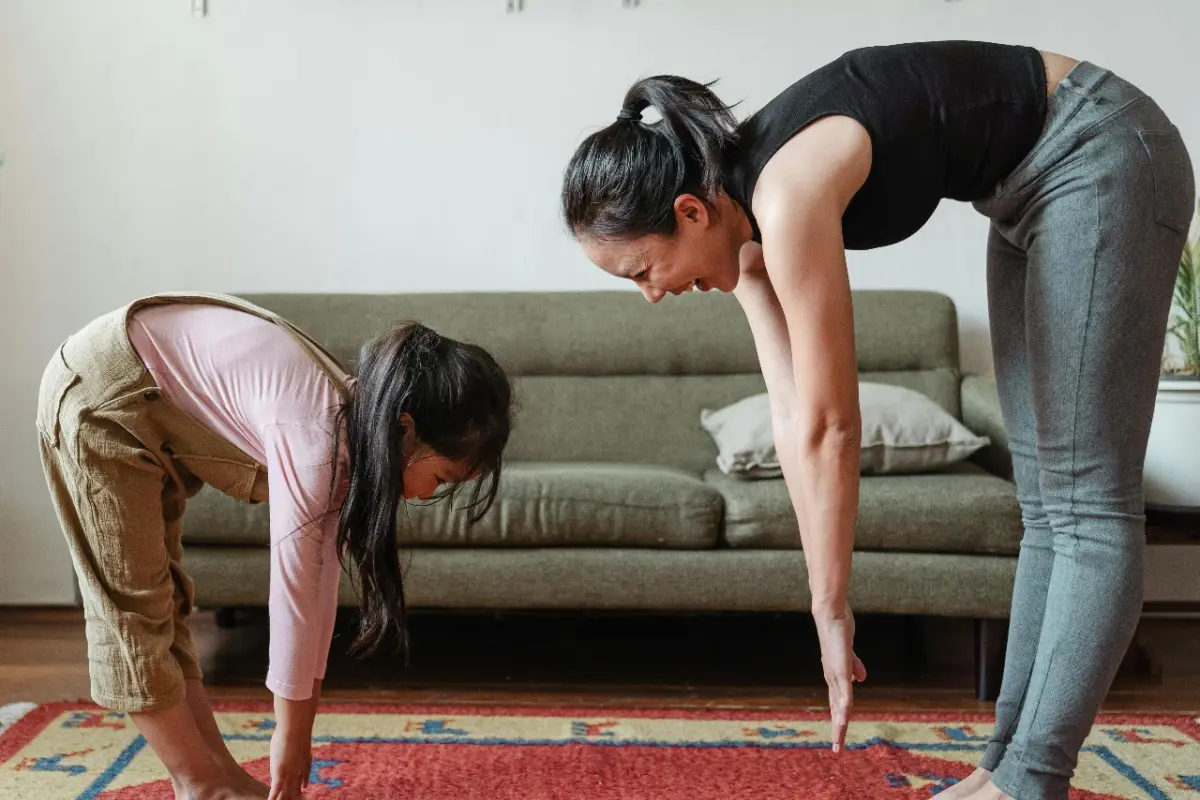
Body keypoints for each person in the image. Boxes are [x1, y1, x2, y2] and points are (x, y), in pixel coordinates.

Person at [560, 41, 1194, 800]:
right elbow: (794, 418)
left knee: (1087, 503)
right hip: (1023, 192)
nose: (653, 296)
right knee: (1048, 507)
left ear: (689, 211)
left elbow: (834, 424)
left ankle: (1030, 783)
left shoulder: (785, 195)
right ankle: (1004, 767)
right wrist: (820, 599)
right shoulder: (747, 239)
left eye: (642, 272)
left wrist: (834, 608)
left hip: (1102, 150)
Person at [36, 292, 512, 800]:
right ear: (405, 427)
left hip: (150, 398)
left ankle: (219, 778)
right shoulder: (316, 437)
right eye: (440, 478)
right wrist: (288, 735)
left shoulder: (354, 427)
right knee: (131, 611)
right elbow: (294, 594)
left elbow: (320, 584)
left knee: (165, 602)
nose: (425, 495)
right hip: (102, 393)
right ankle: (200, 785)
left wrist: (299, 728)